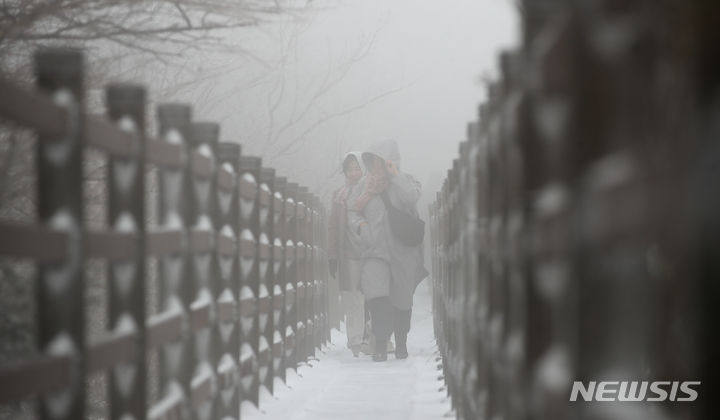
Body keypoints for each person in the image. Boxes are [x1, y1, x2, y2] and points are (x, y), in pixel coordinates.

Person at [349, 140, 428, 362]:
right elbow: (352, 211)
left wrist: (396, 176)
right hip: (374, 250)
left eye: (381, 160)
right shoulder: (364, 185)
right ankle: (381, 344)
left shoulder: (407, 180)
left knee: (403, 300)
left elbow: (411, 197)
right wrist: (362, 228)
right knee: (377, 296)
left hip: (404, 251)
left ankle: (401, 342)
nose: (377, 165)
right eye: (373, 160)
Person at [327, 152, 367, 357]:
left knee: (371, 296)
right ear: (344, 171)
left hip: (370, 252)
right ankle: (355, 341)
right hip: (349, 254)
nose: (354, 172)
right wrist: (332, 255)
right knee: (353, 298)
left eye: (357, 167)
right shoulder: (339, 195)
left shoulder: (371, 190)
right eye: (350, 168)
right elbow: (333, 226)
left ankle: (373, 337)